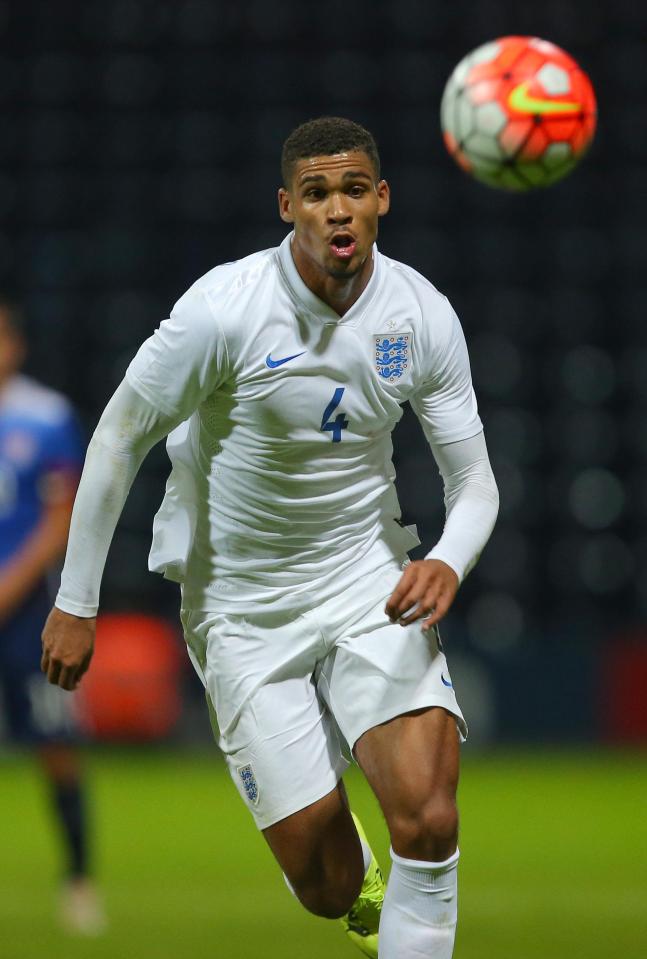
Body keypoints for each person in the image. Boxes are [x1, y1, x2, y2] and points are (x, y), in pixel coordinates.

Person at [41, 116, 499, 957]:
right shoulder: (223, 313)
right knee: (326, 890)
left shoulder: (420, 314)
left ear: (380, 200)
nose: (337, 210)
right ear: (287, 205)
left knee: (429, 821)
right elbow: (118, 436)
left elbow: (473, 482)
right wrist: (76, 602)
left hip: (367, 577)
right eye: (317, 193)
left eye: (354, 190)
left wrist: (445, 557)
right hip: (239, 606)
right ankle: (349, 875)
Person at [0, 300, 105, 935]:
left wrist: (10, 583)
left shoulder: (44, 416)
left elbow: (63, 514)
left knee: (56, 749)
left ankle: (80, 880)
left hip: (25, 615)